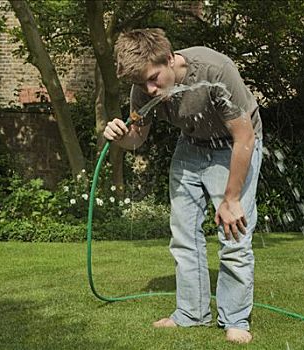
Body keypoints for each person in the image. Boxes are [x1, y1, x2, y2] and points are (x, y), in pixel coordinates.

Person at [103, 28, 263, 344]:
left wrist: (231, 199)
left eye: (153, 78)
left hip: (234, 146)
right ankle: (191, 313)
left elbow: (244, 136)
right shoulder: (142, 89)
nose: (149, 89)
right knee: (183, 235)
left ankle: (235, 319)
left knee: (234, 233)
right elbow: (138, 140)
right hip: (190, 146)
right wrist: (122, 137)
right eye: (140, 84)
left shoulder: (214, 70)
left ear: (169, 58)